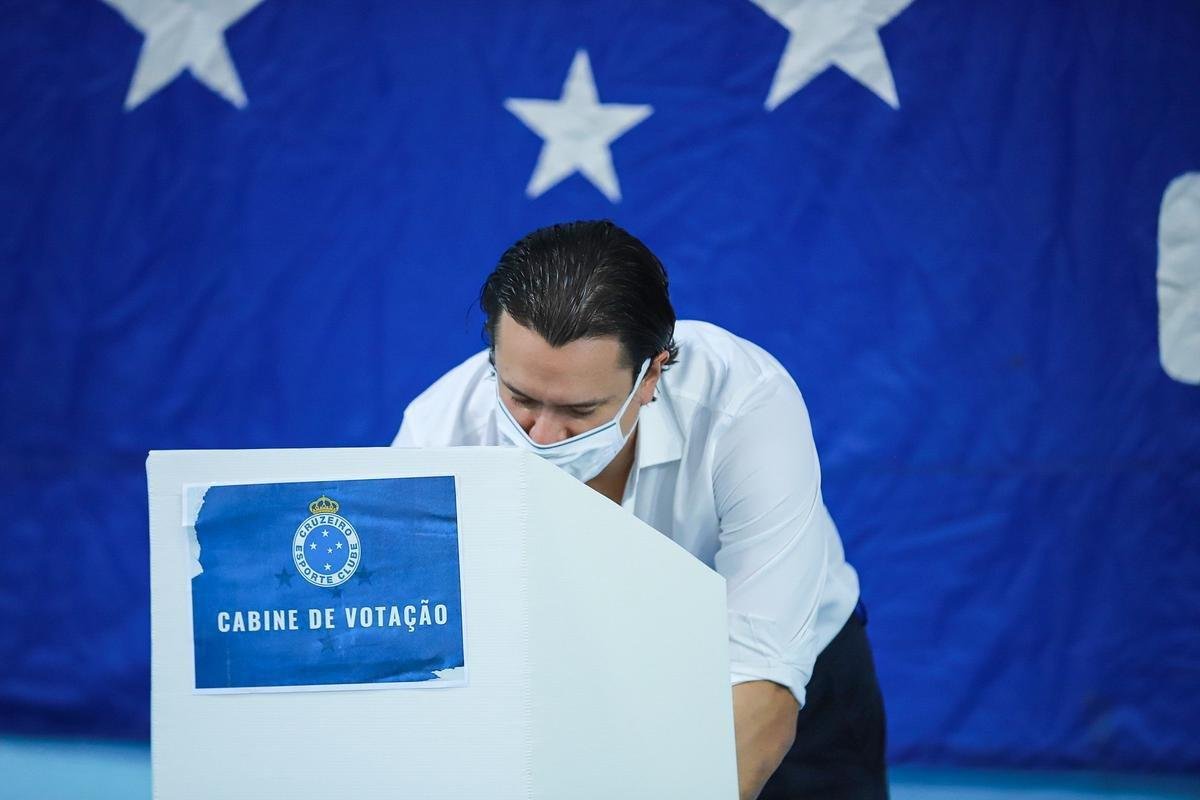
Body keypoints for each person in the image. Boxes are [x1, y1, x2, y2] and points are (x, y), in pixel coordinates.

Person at [392, 220, 887, 799]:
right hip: (572, 680)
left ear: (653, 372)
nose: (544, 435)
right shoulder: (437, 435)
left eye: (580, 408)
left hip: (783, 682)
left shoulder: (745, 404)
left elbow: (763, 678)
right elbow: (417, 664)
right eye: (520, 398)